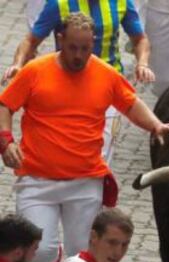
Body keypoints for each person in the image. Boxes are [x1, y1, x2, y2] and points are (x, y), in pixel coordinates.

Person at [0, 12, 169, 262]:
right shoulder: (36, 70)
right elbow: (5, 105)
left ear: (92, 43)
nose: (78, 55)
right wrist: (6, 140)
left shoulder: (105, 74)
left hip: (85, 181)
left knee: (80, 255)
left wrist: (155, 125)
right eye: (72, 47)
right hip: (37, 179)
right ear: (60, 40)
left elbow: (131, 104)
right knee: (41, 252)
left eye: (85, 48)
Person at [2, 0, 154, 166]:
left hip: (107, 89)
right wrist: (18, 64)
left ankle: (93, 188)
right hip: (66, 87)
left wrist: (142, 63)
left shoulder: (121, 3)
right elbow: (31, 41)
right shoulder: (59, 4)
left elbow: (140, 39)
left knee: (98, 155)